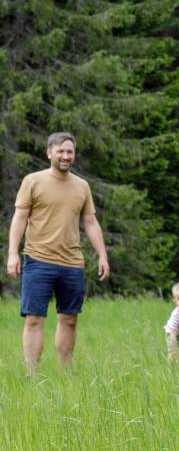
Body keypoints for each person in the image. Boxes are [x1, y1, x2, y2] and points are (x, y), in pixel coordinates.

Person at [6, 132, 110, 375]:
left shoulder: (82, 186)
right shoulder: (33, 181)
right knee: (34, 319)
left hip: (72, 263)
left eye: (70, 152)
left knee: (69, 319)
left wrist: (102, 255)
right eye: (61, 151)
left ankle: (66, 373)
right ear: (49, 152)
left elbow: (91, 222)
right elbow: (20, 218)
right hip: (38, 260)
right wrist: (13, 253)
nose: (65, 156)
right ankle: (32, 375)